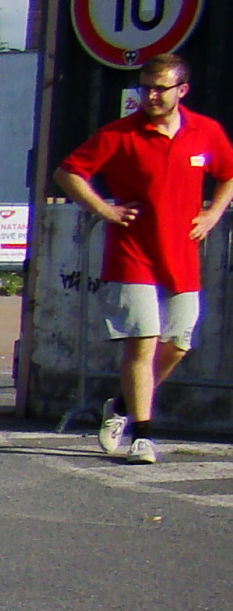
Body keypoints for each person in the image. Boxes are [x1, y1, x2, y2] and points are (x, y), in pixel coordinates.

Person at [55, 51, 233, 464]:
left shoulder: (205, 133)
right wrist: (105, 210)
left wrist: (211, 215)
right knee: (142, 344)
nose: (151, 96)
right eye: (146, 87)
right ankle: (143, 435)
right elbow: (68, 173)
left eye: (160, 88)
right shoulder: (120, 134)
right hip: (132, 255)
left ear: (181, 91)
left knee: (178, 344)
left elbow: (227, 175)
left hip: (182, 256)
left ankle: (119, 406)